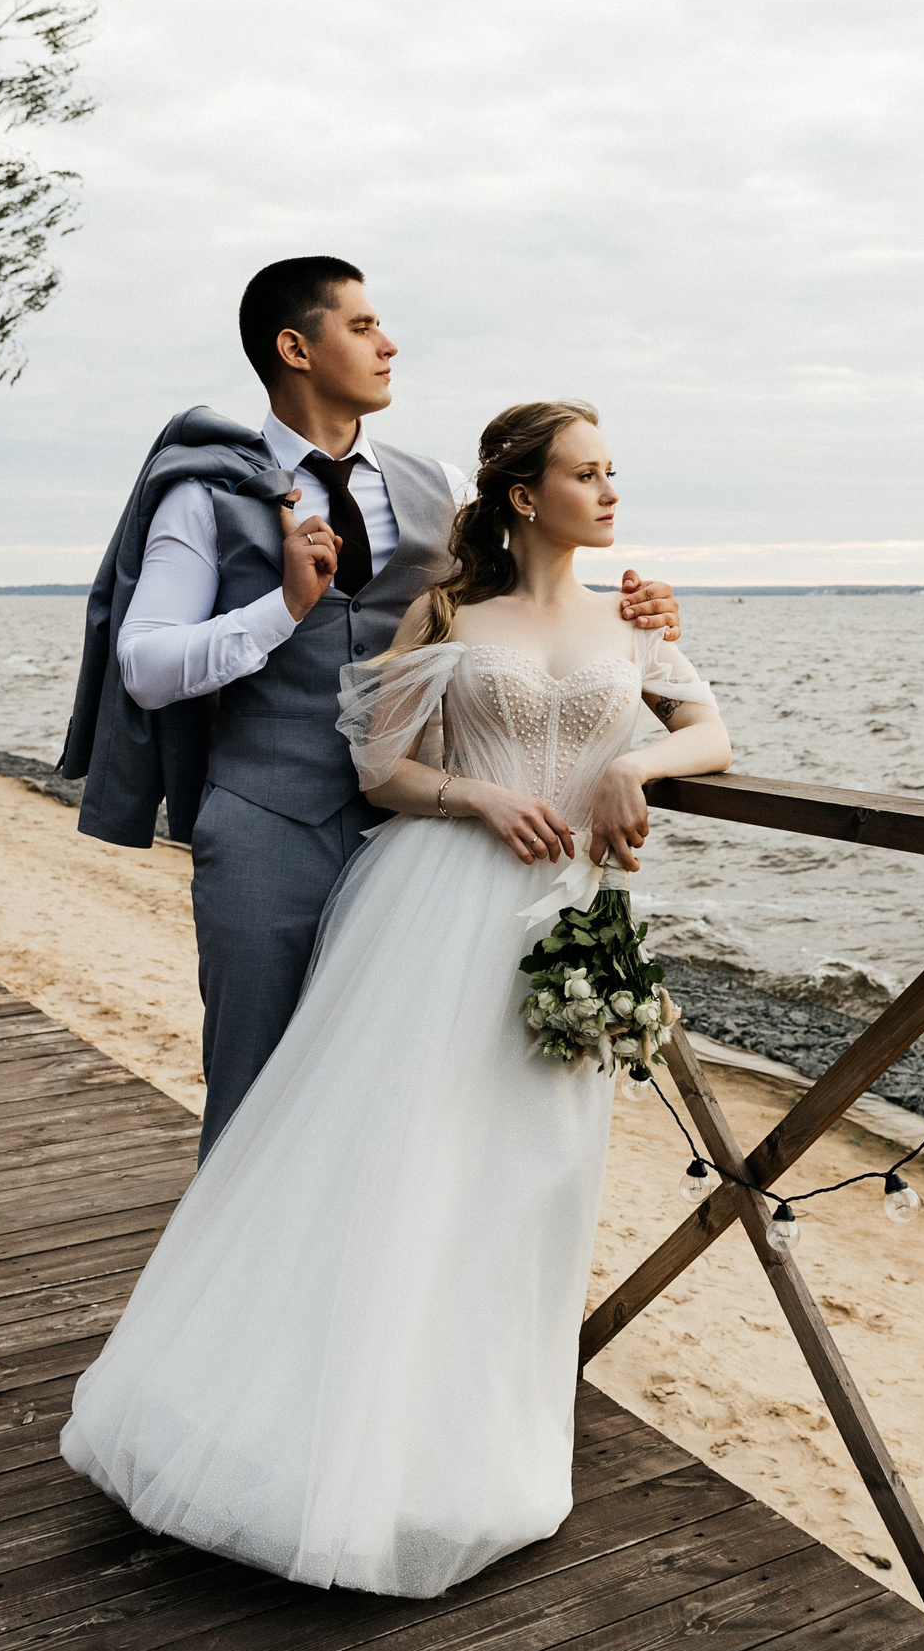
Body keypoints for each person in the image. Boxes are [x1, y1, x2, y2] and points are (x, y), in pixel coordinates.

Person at [59, 400, 732, 1599]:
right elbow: (383, 768)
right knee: (400, 1162)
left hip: (568, 924)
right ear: (524, 495)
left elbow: (711, 731)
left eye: (612, 471)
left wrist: (634, 762)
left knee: (528, 1179)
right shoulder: (447, 611)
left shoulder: (630, 616)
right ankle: (318, 1431)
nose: (610, 491)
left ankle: (471, 1446)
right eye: (588, 473)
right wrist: (480, 798)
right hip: (438, 911)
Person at [57, 257, 681, 1156]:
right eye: (362, 326)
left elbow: (530, 582)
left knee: (401, 1095)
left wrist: (642, 610)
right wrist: (282, 609)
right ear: (295, 348)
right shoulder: (206, 494)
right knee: (254, 1081)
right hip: (270, 828)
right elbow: (145, 665)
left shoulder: (438, 486)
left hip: (424, 846)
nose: (389, 344)